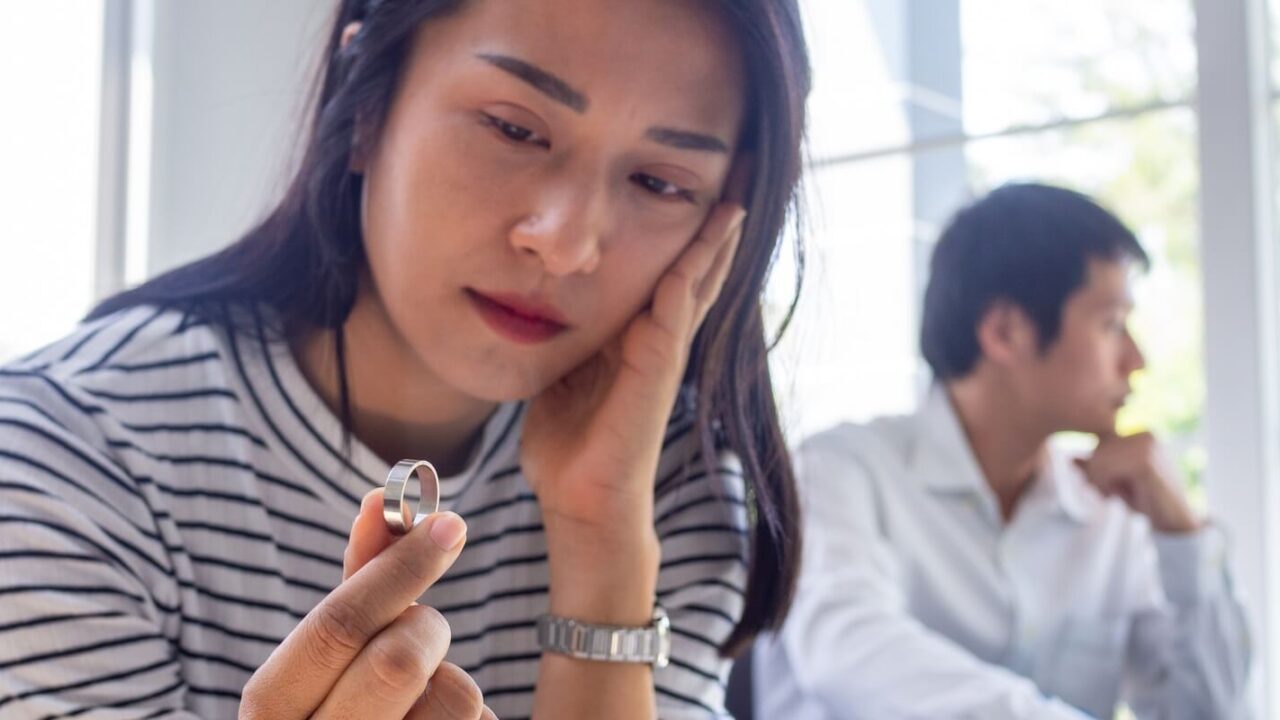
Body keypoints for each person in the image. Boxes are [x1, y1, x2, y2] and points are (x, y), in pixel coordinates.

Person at [0, 0, 810, 717]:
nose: (565, 243)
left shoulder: (668, 479)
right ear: (366, 108)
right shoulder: (59, 462)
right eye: (515, 128)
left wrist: (602, 543)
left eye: (661, 182)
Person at [754, 183, 1253, 719]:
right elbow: (845, 655)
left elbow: (1214, 713)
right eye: (1111, 325)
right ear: (1005, 331)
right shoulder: (839, 469)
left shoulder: (1112, 510)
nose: (1137, 360)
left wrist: (1183, 536)